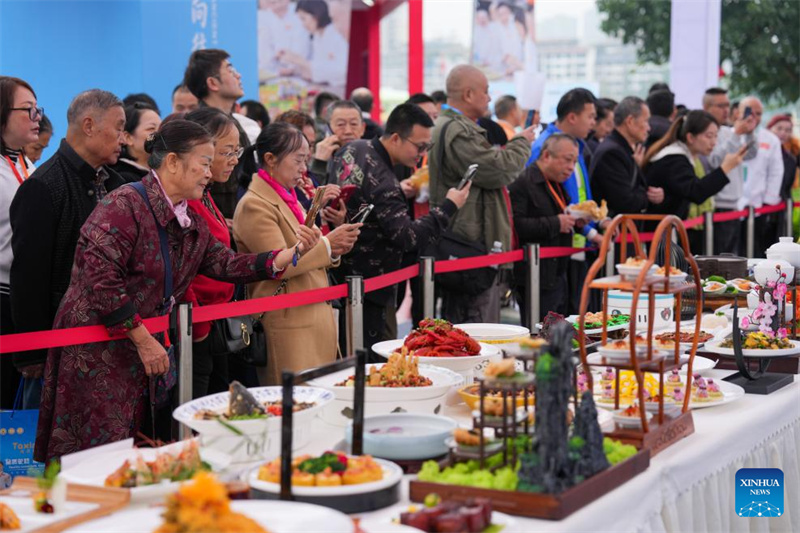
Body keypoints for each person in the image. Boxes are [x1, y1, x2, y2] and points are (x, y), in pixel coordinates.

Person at [33, 119, 320, 462]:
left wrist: (288, 255)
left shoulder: (189, 218)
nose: (209, 174)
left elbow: (225, 264)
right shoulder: (123, 205)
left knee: (140, 453)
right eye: (203, 163)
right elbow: (100, 281)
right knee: (95, 458)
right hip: (97, 354)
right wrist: (142, 339)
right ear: (172, 162)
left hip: (140, 352)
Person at [10, 89, 126, 410]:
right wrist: (32, 351)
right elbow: (29, 277)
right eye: (118, 127)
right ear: (89, 125)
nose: (124, 137)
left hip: (110, 336)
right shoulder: (43, 186)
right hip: (58, 346)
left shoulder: (117, 184)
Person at [331, 103, 470, 351]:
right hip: (370, 287)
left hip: (343, 278)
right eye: (420, 146)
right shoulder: (384, 181)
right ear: (396, 138)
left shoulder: (354, 148)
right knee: (378, 361)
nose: (422, 153)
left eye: (428, 146)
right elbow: (408, 237)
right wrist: (449, 206)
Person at [234, 122, 359, 384]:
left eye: (306, 160)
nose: (304, 169)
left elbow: (310, 250)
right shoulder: (254, 205)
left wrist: (334, 248)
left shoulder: (288, 196)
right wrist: (328, 246)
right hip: (287, 323)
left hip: (311, 315)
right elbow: (278, 264)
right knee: (292, 408)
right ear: (270, 159)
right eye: (299, 160)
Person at [428, 64, 536, 324]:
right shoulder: (458, 131)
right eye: (485, 91)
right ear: (467, 94)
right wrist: (522, 142)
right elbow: (497, 170)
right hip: (469, 245)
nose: (489, 98)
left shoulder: (455, 126)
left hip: (466, 241)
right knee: (477, 329)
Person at [182, 108, 242, 398]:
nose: (235, 160)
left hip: (214, 318)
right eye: (227, 151)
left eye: (237, 150)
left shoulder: (205, 193)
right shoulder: (187, 199)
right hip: (196, 326)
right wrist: (200, 326)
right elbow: (185, 271)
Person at [0, 76, 41, 409]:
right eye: (28, 110)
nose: (37, 117)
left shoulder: (26, 163)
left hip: (26, 295)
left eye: (37, 109)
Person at [642, 111, 746, 239]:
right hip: (655, 232)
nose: (714, 142)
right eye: (709, 136)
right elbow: (696, 192)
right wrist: (725, 168)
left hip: (664, 229)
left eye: (715, 136)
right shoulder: (674, 159)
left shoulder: (680, 156)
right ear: (690, 137)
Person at [511, 134, 579, 325]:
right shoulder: (523, 182)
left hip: (558, 272)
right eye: (567, 160)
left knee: (558, 336)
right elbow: (517, 226)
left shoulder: (556, 183)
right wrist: (556, 223)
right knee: (538, 336)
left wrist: (576, 222)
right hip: (535, 276)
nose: (571, 168)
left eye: (574, 161)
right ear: (547, 155)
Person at [184, 48, 261, 216]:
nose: (238, 75)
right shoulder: (198, 128)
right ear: (213, 83)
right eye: (230, 70)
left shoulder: (235, 122)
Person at [591, 96, 664, 219]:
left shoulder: (623, 149)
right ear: (630, 121)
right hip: (617, 232)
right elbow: (626, 202)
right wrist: (648, 196)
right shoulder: (612, 153)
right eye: (645, 121)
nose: (649, 128)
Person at [734, 97, 784, 257]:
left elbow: (776, 172)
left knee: (755, 251)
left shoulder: (770, 139)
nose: (754, 117)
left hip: (758, 206)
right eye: (749, 111)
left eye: (759, 113)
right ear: (738, 112)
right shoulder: (729, 135)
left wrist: (768, 201)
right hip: (730, 206)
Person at [280, 0, 348, 94]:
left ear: (316, 16)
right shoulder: (317, 36)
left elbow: (342, 72)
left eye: (303, 19)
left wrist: (302, 61)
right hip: (324, 88)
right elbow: (317, 68)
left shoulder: (335, 35)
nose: (303, 24)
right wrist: (296, 69)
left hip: (338, 90)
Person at [308, 100, 365, 183]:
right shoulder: (320, 158)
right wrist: (319, 163)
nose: (348, 131)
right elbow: (311, 192)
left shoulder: (372, 157)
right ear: (328, 129)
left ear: (363, 128)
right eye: (341, 124)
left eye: (354, 124)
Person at [258, 0, 311, 76]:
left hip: (300, 71)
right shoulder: (262, 16)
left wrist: (292, 67)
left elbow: (302, 45)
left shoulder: (300, 12)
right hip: (271, 72)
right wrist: (274, 57)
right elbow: (263, 51)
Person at [112, 103, 161, 183]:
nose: (159, 134)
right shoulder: (122, 179)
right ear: (128, 138)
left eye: (161, 128)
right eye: (151, 128)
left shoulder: (159, 174)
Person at [768, 114, 800, 235]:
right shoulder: (761, 152)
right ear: (770, 128)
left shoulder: (791, 157)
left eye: (788, 130)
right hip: (763, 208)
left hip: (784, 207)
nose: (783, 133)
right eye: (779, 128)